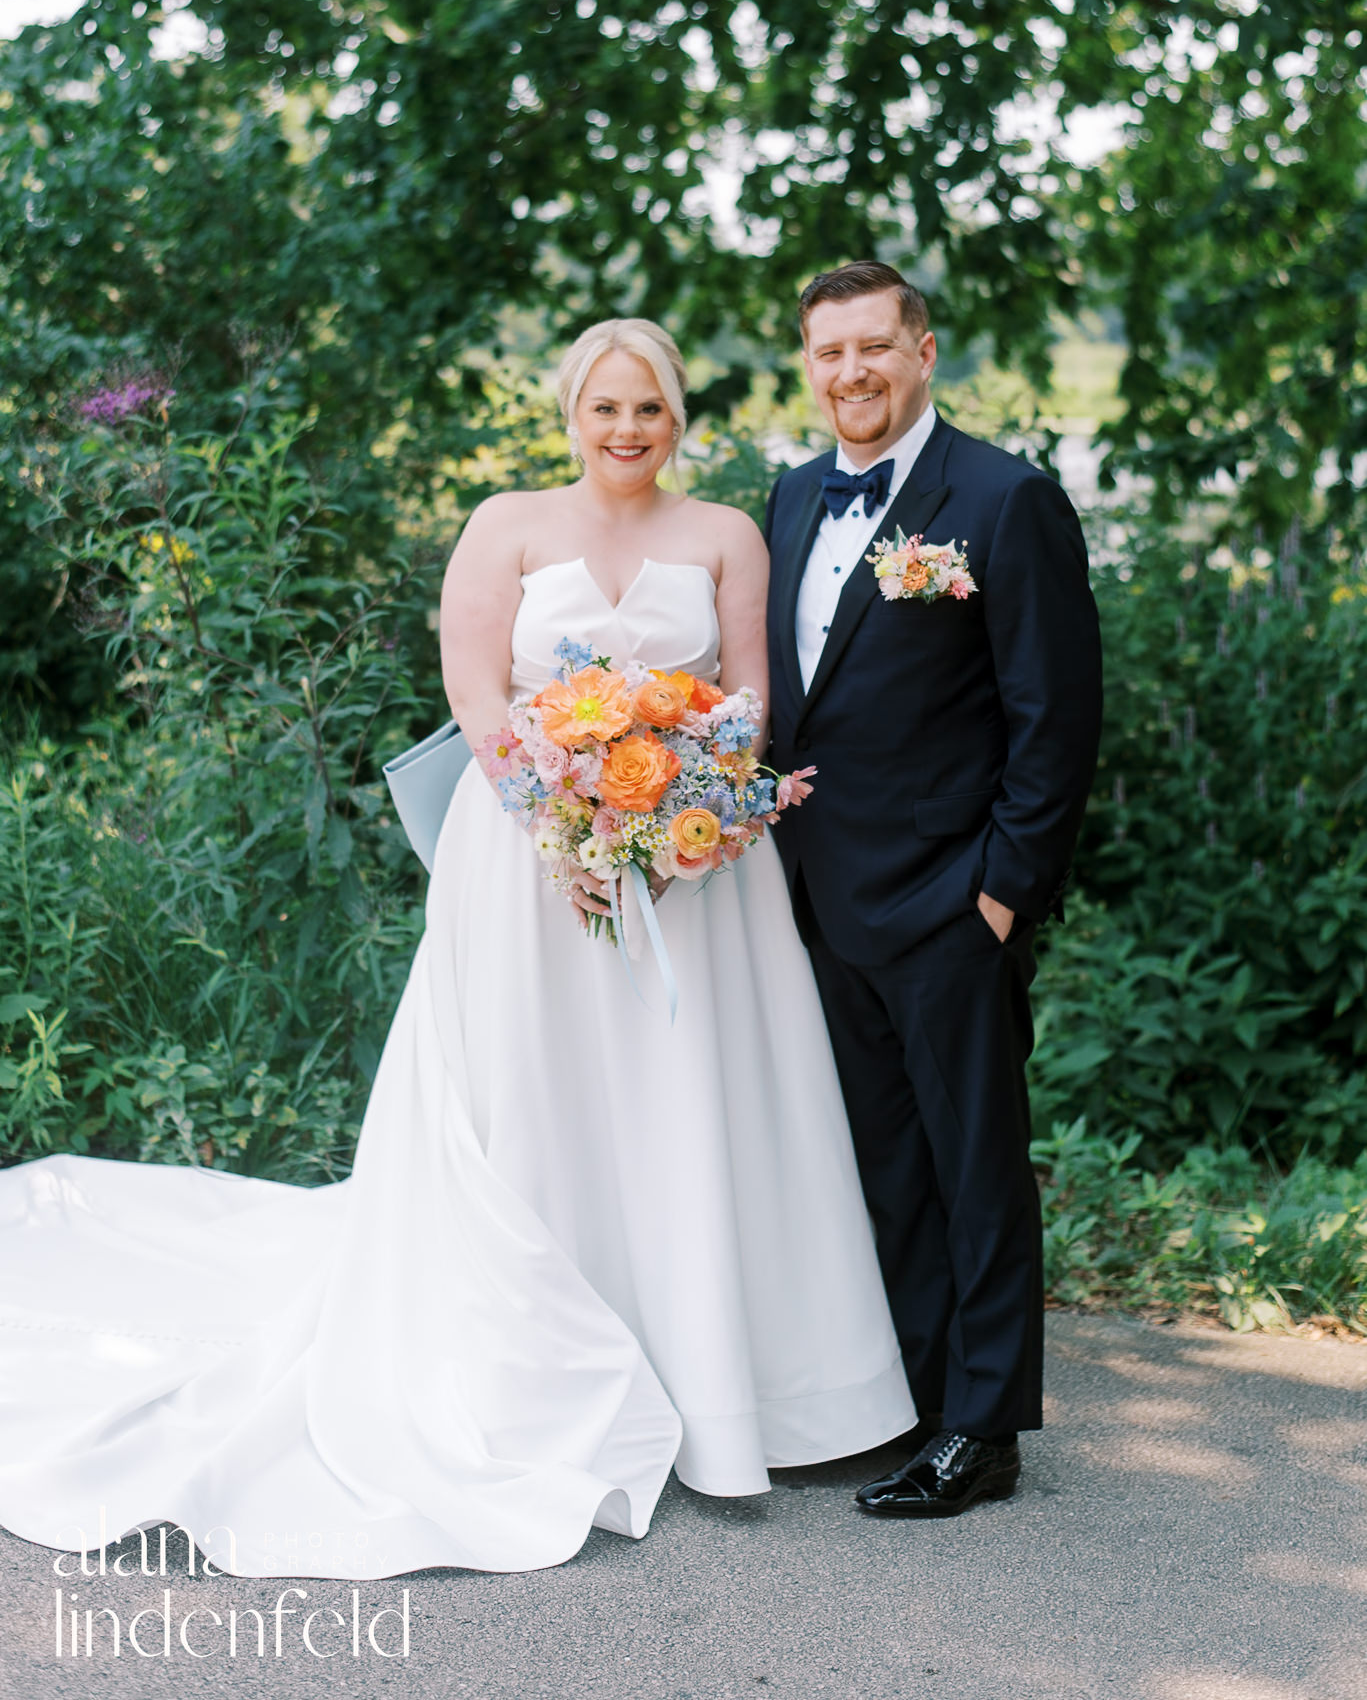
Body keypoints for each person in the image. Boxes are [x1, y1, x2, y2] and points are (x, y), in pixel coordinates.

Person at [0, 316, 913, 1581]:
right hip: (530, 859)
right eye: (604, 409)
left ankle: (738, 1385)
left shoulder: (723, 536)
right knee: (540, 1093)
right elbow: (475, 689)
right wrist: (567, 803)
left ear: (677, 416)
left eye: (647, 409)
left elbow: (752, 699)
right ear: (569, 415)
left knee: (693, 1097)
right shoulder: (507, 525)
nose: (626, 431)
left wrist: (669, 799)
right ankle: (531, 1368)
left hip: (697, 862)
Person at [765, 262, 1103, 1520]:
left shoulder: (1003, 499)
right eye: (826, 351)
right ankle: (914, 1398)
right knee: (884, 1167)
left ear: (921, 350)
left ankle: (984, 1428)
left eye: (870, 346)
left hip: (953, 903)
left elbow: (1052, 716)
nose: (847, 371)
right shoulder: (791, 496)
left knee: (973, 1167)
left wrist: (1003, 896)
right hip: (820, 900)